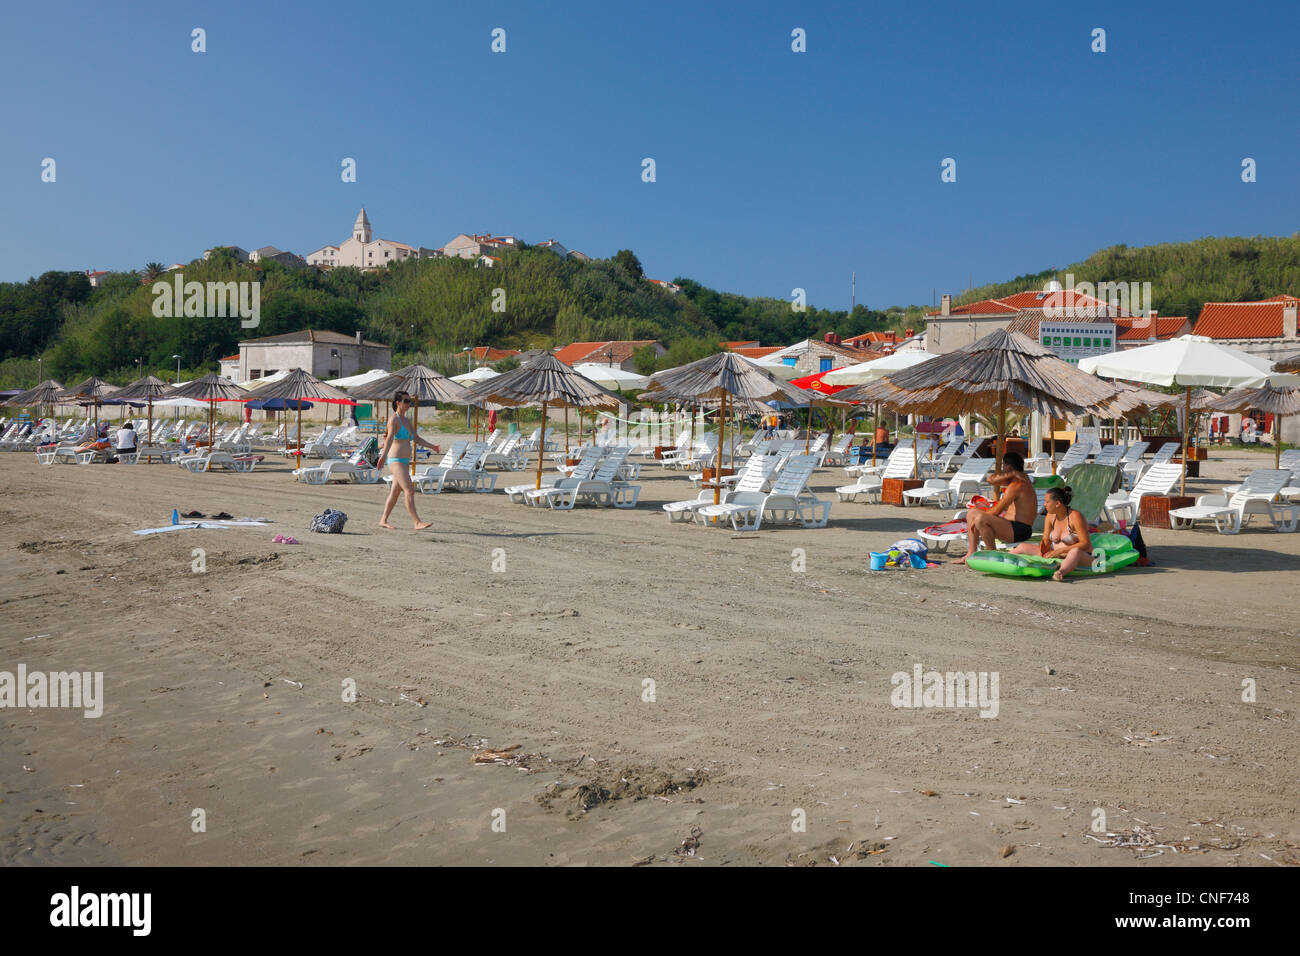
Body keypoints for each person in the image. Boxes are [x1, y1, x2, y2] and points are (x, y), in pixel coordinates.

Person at [955, 451, 1037, 566]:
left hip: (1020, 530)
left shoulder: (1018, 485)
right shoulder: (1013, 481)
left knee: (980, 519)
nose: (1002, 469)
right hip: (1010, 526)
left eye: (1004, 465)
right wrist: (1012, 473)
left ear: (1007, 466)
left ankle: (993, 556)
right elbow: (990, 479)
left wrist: (979, 519)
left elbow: (997, 511)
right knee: (972, 512)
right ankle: (971, 552)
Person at [376, 391, 440, 530]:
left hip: (404, 461)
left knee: (395, 492)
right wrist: (383, 456)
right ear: (398, 403)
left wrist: (432, 446)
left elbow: (416, 438)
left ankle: (383, 520)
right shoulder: (394, 419)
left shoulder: (407, 420)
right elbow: (389, 439)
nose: (408, 403)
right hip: (395, 460)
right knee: (409, 490)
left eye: (409, 401)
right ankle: (417, 522)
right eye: (405, 401)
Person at [1011, 486, 1092, 582]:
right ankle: (999, 559)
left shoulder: (1075, 516)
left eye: (1047, 502)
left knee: (1075, 552)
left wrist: (1060, 551)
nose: (1044, 504)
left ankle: (1060, 572)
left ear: (1057, 503)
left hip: (1083, 556)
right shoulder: (1050, 516)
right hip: (1055, 554)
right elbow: (1046, 539)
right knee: (1023, 546)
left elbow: (1085, 544)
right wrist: (1043, 547)